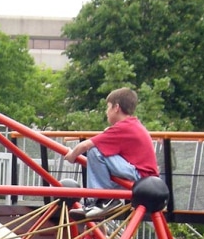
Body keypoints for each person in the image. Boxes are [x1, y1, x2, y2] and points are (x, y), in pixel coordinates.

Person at [64, 88, 159, 220]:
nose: (106, 112)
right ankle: (100, 201)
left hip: (141, 176)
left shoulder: (123, 127)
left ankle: (101, 200)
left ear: (116, 108)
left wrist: (71, 156)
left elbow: (86, 145)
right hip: (143, 176)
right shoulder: (131, 125)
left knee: (95, 151)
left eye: (107, 107)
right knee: (101, 156)